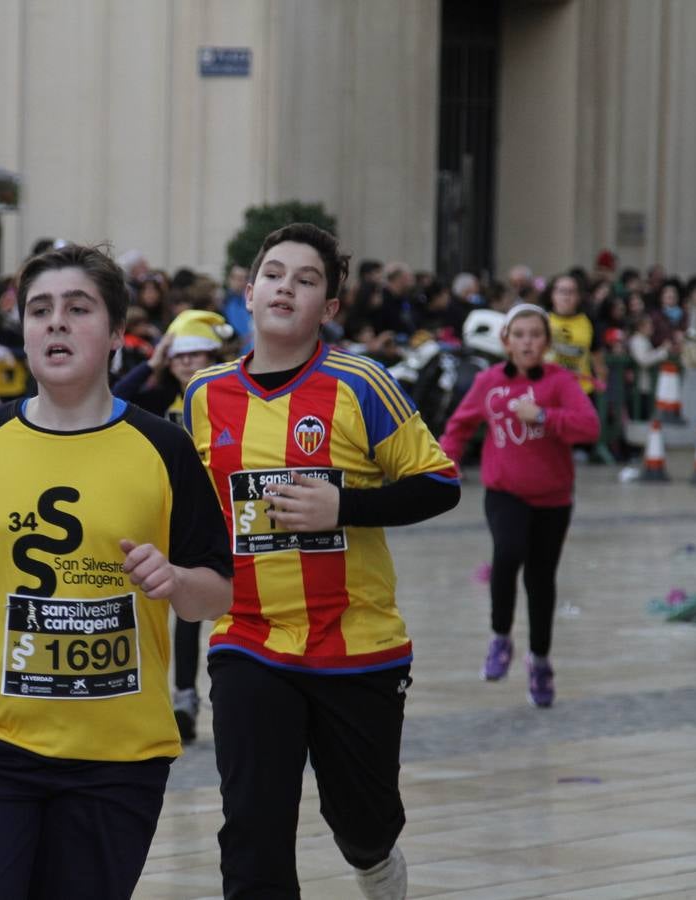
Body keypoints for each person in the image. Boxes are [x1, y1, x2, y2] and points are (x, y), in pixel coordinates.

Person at [0, 243, 233, 900]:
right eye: (39, 310)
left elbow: (216, 592)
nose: (56, 323)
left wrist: (175, 581)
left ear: (114, 333)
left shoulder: (164, 448)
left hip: (117, 759)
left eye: (78, 308)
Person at [183, 223, 460, 900]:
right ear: (246, 294)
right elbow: (190, 509)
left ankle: (377, 866)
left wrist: (343, 508)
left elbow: (439, 483)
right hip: (247, 639)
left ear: (329, 309)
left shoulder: (360, 382)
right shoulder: (204, 395)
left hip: (356, 644)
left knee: (362, 827)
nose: (286, 288)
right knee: (252, 829)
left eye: (306, 281)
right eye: (273, 275)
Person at [439, 304, 600, 707]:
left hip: (553, 497)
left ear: (546, 342)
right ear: (506, 341)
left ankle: (540, 660)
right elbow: (458, 427)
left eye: (535, 335)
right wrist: (447, 463)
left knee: (541, 579)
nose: (528, 342)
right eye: (520, 335)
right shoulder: (489, 382)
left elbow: (589, 427)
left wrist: (544, 415)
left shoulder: (560, 381)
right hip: (504, 492)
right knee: (508, 554)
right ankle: (500, 638)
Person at [114, 309, 232, 742]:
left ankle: (185, 696)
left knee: (191, 608)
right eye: (179, 356)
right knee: (150, 607)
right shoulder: (158, 396)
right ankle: (151, 695)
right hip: (157, 516)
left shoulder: (226, 396)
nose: (186, 363)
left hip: (210, 518)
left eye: (196, 354)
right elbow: (113, 397)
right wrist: (152, 360)